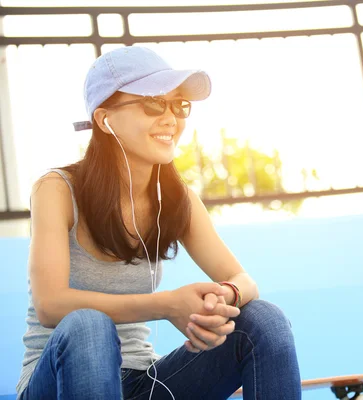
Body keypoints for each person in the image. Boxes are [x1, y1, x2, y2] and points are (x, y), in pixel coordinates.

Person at [15, 45, 301, 400]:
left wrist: (221, 298)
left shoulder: (178, 198)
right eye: (153, 103)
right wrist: (166, 305)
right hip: (57, 384)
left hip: (145, 382)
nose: (171, 118)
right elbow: (50, 304)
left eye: (178, 105)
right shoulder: (57, 190)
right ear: (105, 120)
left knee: (263, 320)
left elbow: (244, 281)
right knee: (88, 325)